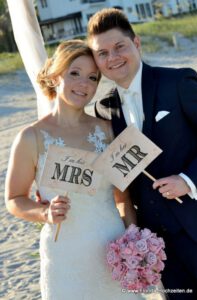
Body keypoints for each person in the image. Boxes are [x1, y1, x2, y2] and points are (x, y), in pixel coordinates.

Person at [5, 39, 154, 300]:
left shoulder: (108, 130)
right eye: (74, 73)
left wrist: (135, 243)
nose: (84, 84)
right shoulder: (31, 138)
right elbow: (14, 200)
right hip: (65, 257)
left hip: (113, 249)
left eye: (93, 77)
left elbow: (123, 197)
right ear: (55, 74)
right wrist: (44, 212)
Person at [86, 8, 197, 300]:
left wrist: (188, 180)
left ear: (136, 44)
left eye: (119, 46)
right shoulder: (104, 110)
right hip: (157, 244)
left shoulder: (178, 82)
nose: (113, 57)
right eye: (102, 53)